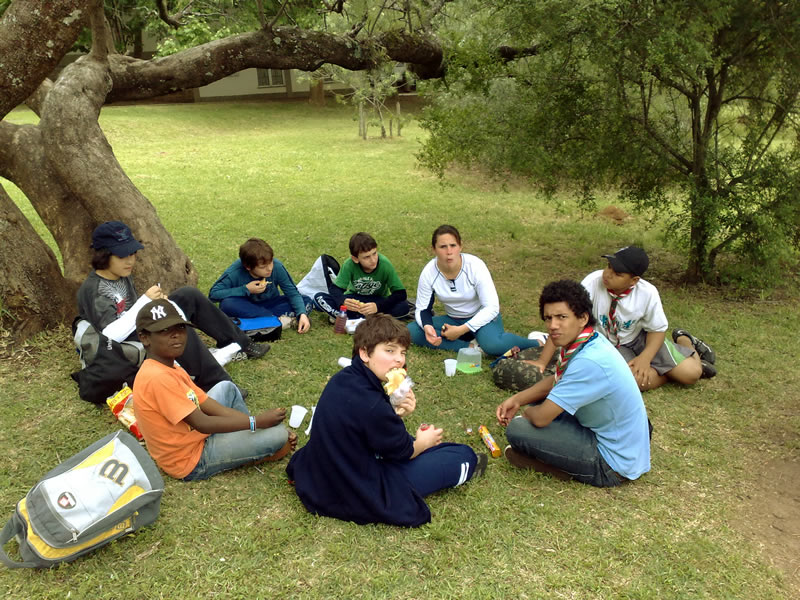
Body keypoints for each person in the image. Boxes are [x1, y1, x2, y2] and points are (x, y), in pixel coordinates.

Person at [286, 313, 487, 527]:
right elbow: (403, 452)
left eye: (402, 352)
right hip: (354, 484)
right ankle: (464, 465)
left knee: (435, 449)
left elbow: (365, 424)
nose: (399, 359)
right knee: (461, 454)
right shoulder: (373, 404)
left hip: (323, 470)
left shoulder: (344, 378)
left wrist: (395, 413)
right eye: (390, 350)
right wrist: (423, 443)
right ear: (365, 353)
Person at [76, 221, 268, 392]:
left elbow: (130, 313)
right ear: (104, 255)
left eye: (132, 253)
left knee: (188, 295)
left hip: (138, 328)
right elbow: (110, 336)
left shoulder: (120, 275)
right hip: (124, 348)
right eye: (122, 255)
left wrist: (157, 304)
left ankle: (241, 343)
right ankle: (216, 383)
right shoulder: (94, 289)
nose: (130, 260)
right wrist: (146, 303)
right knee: (174, 326)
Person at [496, 280, 651, 487]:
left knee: (519, 428)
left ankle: (559, 468)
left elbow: (540, 419)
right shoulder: (589, 340)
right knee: (541, 404)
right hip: (618, 438)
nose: (553, 325)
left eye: (562, 317)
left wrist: (527, 413)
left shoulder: (589, 361)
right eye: (548, 318)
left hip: (612, 463)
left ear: (582, 318)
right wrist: (518, 399)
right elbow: (560, 379)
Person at [132, 299, 295, 480]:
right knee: (279, 435)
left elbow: (208, 404)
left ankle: (247, 439)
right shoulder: (157, 377)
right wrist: (256, 423)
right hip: (190, 458)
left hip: (197, 436)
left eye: (180, 328)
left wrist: (254, 423)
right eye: (164, 330)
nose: (176, 335)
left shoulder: (170, 366)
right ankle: (250, 450)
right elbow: (202, 423)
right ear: (144, 337)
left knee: (227, 388)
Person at [528, 246, 716, 391]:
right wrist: (543, 361)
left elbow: (657, 330)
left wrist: (645, 358)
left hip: (641, 338)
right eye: (609, 267)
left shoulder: (647, 293)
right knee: (628, 383)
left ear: (634, 280)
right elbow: (562, 322)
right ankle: (667, 373)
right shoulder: (591, 284)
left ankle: (685, 340)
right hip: (608, 344)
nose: (608, 274)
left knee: (691, 374)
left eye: (617, 274)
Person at [408, 225, 540, 357]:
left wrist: (461, 330)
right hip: (453, 319)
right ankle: (472, 347)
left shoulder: (475, 266)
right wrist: (427, 327)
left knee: (493, 345)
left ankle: (537, 341)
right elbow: (422, 308)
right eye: (443, 247)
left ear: (460, 246)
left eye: (453, 245)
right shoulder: (429, 272)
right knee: (411, 331)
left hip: (483, 318)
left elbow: (492, 307)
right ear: (434, 249)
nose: (449, 251)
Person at [209, 238, 311, 334]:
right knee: (227, 304)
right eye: (263, 267)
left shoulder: (277, 267)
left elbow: (292, 293)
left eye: (270, 262)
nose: (269, 268)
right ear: (248, 267)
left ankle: (263, 321)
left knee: (306, 300)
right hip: (245, 305)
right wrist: (245, 289)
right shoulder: (235, 271)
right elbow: (213, 294)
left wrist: (302, 314)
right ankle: (277, 320)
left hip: (271, 303)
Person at [313, 232, 412, 321]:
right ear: (355, 259)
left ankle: (345, 317)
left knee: (403, 307)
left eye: (374, 253)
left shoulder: (384, 264)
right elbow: (335, 289)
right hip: (356, 301)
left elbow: (400, 293)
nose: (373, 260)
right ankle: (371, 319)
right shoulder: (349, 264)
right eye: (366, 257)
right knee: (319, 297)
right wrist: (343, 301)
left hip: (378, 300)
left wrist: (377, 306)